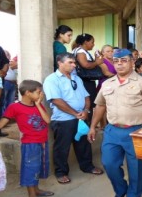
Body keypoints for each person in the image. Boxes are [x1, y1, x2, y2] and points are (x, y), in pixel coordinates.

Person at [87, 49, 142, 197]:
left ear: (132, 62)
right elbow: (100, 106)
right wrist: (92, 126)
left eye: (124, 60)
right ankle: (121, 191)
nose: (119, 64)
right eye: (116, 61)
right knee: (109, 163)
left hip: (135, 130)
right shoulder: (107, 84)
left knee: (137, 168)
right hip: (112, 131)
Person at [0, 80, 54, 197]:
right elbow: (0, 124)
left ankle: (36, 190)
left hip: (42, 141)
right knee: (30, 169)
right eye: (38, 92)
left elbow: (47, 120)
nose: (41, 94)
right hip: (30, 143)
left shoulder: (37, 104)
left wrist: (38, 104)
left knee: (38, 167)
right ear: (27, 93)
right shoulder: (14, 107)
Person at [43, 53, 103, 184]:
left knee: (84, 143)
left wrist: (86, 110)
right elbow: (56, 100)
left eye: (74, 62)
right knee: (62, 147)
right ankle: (61, 172)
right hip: (63, 120)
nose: (74, 65)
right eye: (70, 62)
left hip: (81, 117)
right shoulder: (52, 80)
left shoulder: (77, 78)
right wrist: (76, 113)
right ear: (60, 63)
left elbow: (87, 97)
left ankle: (87, 166)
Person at [73, 34, 113, 122]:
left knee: (90, 104)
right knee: (89, 104)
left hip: (87, 81)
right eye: (92, 42)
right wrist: (97, 62)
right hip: (85, 81)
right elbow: (86, 65)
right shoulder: (80, 52)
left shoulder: (83, 51)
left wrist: (95, 59)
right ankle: (87, 125)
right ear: (85, 42)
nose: (93, 44)